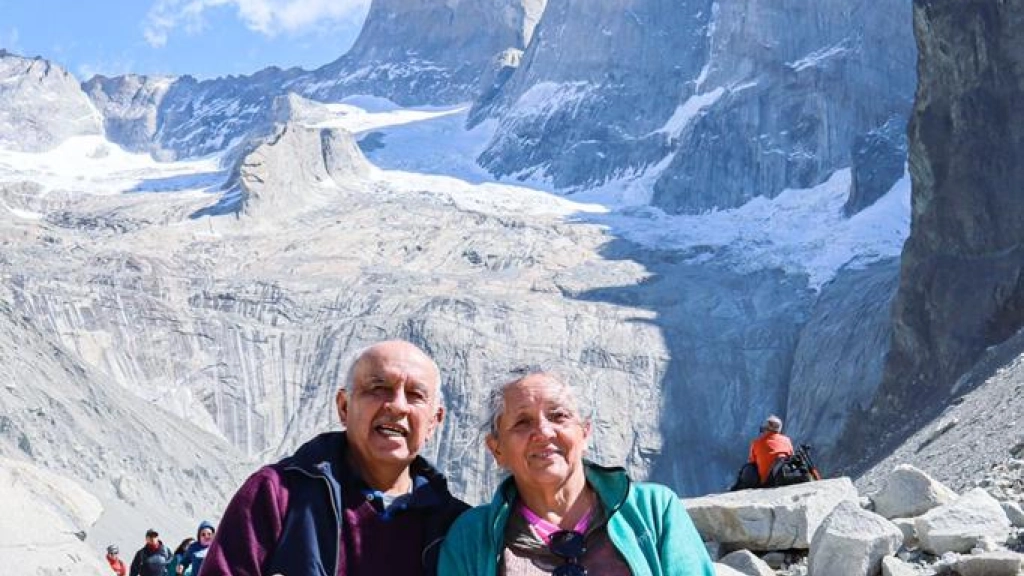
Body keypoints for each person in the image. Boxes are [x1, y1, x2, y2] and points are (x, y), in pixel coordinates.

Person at [200, 340, 469, 576]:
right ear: (343, 406)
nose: (397, 405)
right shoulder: (277, 496)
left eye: (415, 395)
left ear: (435, 421)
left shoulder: (461, 528)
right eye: (378, 387)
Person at [439, 370, 715, 575]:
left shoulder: (653, 510)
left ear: (584, 434)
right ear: (497, 449)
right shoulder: (471, 536)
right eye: (523, 422)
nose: (544, 432)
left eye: (558, 416)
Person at [747, 415, 794, 486]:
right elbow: (791, 456)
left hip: (767, 482)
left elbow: (752, 463)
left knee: (748, 468)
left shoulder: (756, 443)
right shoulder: (787, 440)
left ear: (766, 428)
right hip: (785, 476)